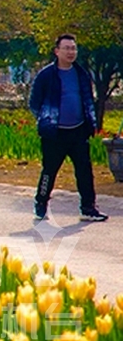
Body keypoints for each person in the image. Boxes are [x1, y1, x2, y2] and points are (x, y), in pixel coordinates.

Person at [29, 34, 108, 222]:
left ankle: (88, 208)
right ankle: (41, 203)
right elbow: (34, 103)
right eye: (66, 48)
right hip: (54, 134)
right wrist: (46, 120)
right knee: (49, 170)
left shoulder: (81, 74)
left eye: (73, 48)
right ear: (57, 51)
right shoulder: (46, 75)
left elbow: (88, 99)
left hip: (78, 131)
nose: (71, 52)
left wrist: (90, 123)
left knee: (84, 170)